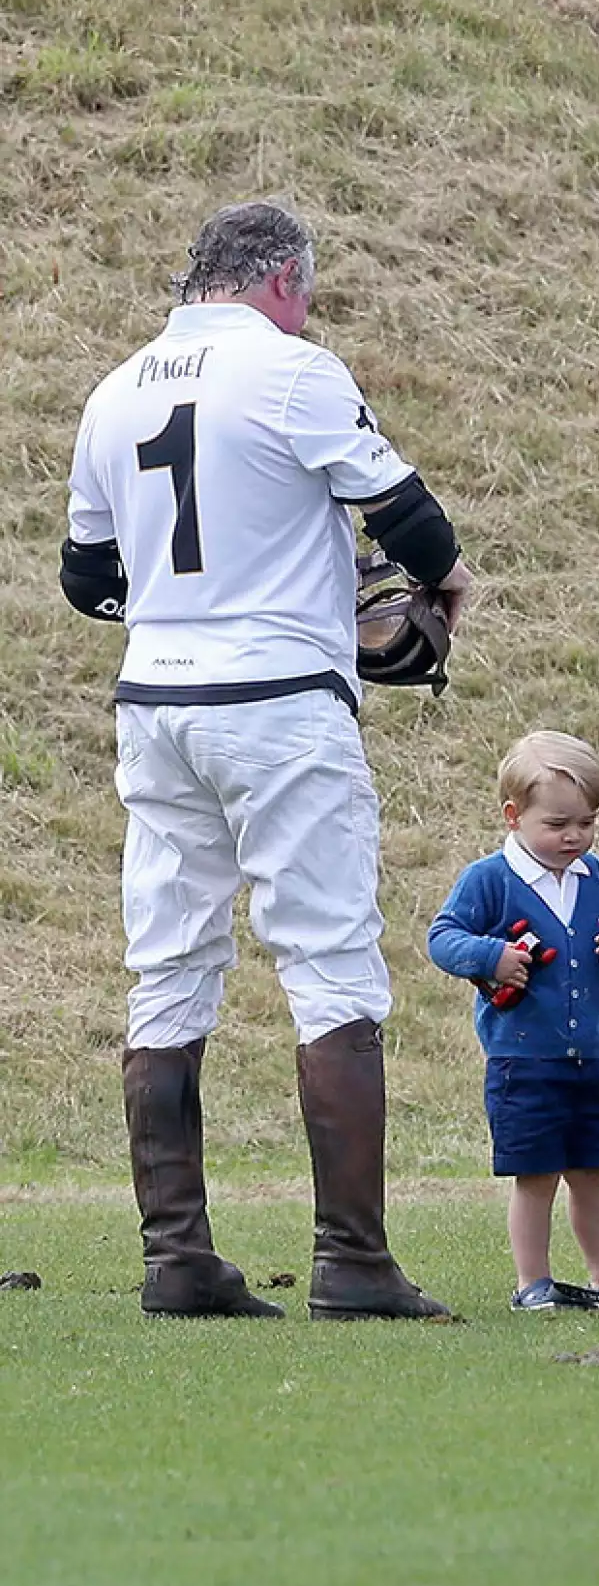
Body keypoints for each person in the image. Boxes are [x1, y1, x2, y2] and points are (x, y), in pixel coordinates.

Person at [61, 201, 473, 1322]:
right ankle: (353, 1261)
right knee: (331, 961)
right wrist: (437, 589)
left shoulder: (114, 390)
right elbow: (413, 523)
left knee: (169, 964)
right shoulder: (296, 370)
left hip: (157, 704)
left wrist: (182, 605)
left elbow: (85, 579)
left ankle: (178, 1256)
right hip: (281, 701)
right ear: (284, 277)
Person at [427, 732, 599, 1310]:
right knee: (536, 1175)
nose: (574, 836)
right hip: (522, 1060)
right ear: (513, 815)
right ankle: (533, 1283)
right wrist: (490, 958)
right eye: (557, 825)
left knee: (591, 1172)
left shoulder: (592, 874)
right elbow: (443, 937)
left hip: (592, 1058)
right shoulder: (489, 880)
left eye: (587, 822)